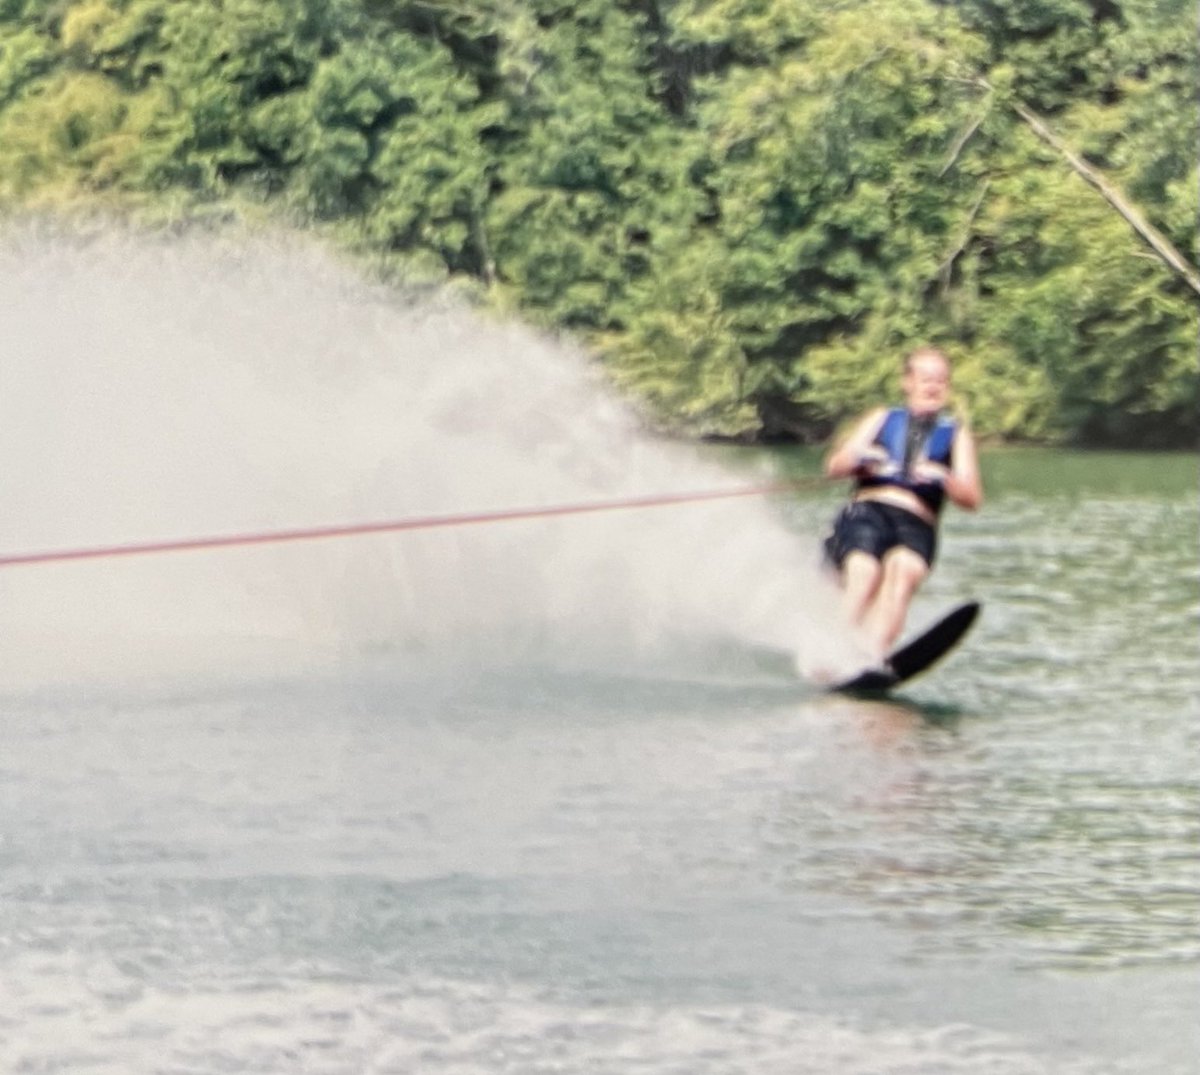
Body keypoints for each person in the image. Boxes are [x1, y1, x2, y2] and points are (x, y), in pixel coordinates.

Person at [822, 346, 983, 665]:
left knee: (902, 572)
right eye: (926, 379)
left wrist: (944, 477)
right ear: (907, 382)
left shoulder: (956, 434)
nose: (933, 386)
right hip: (869, 512)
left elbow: (972, 498)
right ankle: (831, 652)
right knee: (865, 571)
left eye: (941, 380)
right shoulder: (882, 418)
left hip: (916, 523)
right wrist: (861, 460)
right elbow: (834, 466)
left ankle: (871, 656)